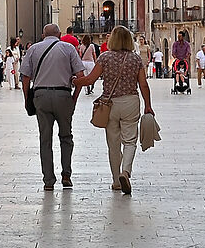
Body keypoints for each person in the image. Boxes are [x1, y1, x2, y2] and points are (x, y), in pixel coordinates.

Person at [19, 23, 90, 190]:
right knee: (66, 136)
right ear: (59, 35)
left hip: (41, 96)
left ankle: (48, 181)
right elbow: (80, 76)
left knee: (45, 139)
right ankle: (66, 174)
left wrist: (27, 98)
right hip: (63, 94)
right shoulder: (69, 49)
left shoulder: (34, 49)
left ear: (43, 35)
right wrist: (74, 98)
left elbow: (25, 78)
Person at [93, 26, 156, 195]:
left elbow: (91, 79)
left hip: (110, 104)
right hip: (130, 101)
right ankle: (125, 172)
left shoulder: (104, 57)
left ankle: (116, 181)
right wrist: (148, 105)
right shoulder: (135, 59)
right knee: (129, 141)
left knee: (113, 144)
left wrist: (76, 82)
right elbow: (143, 84)